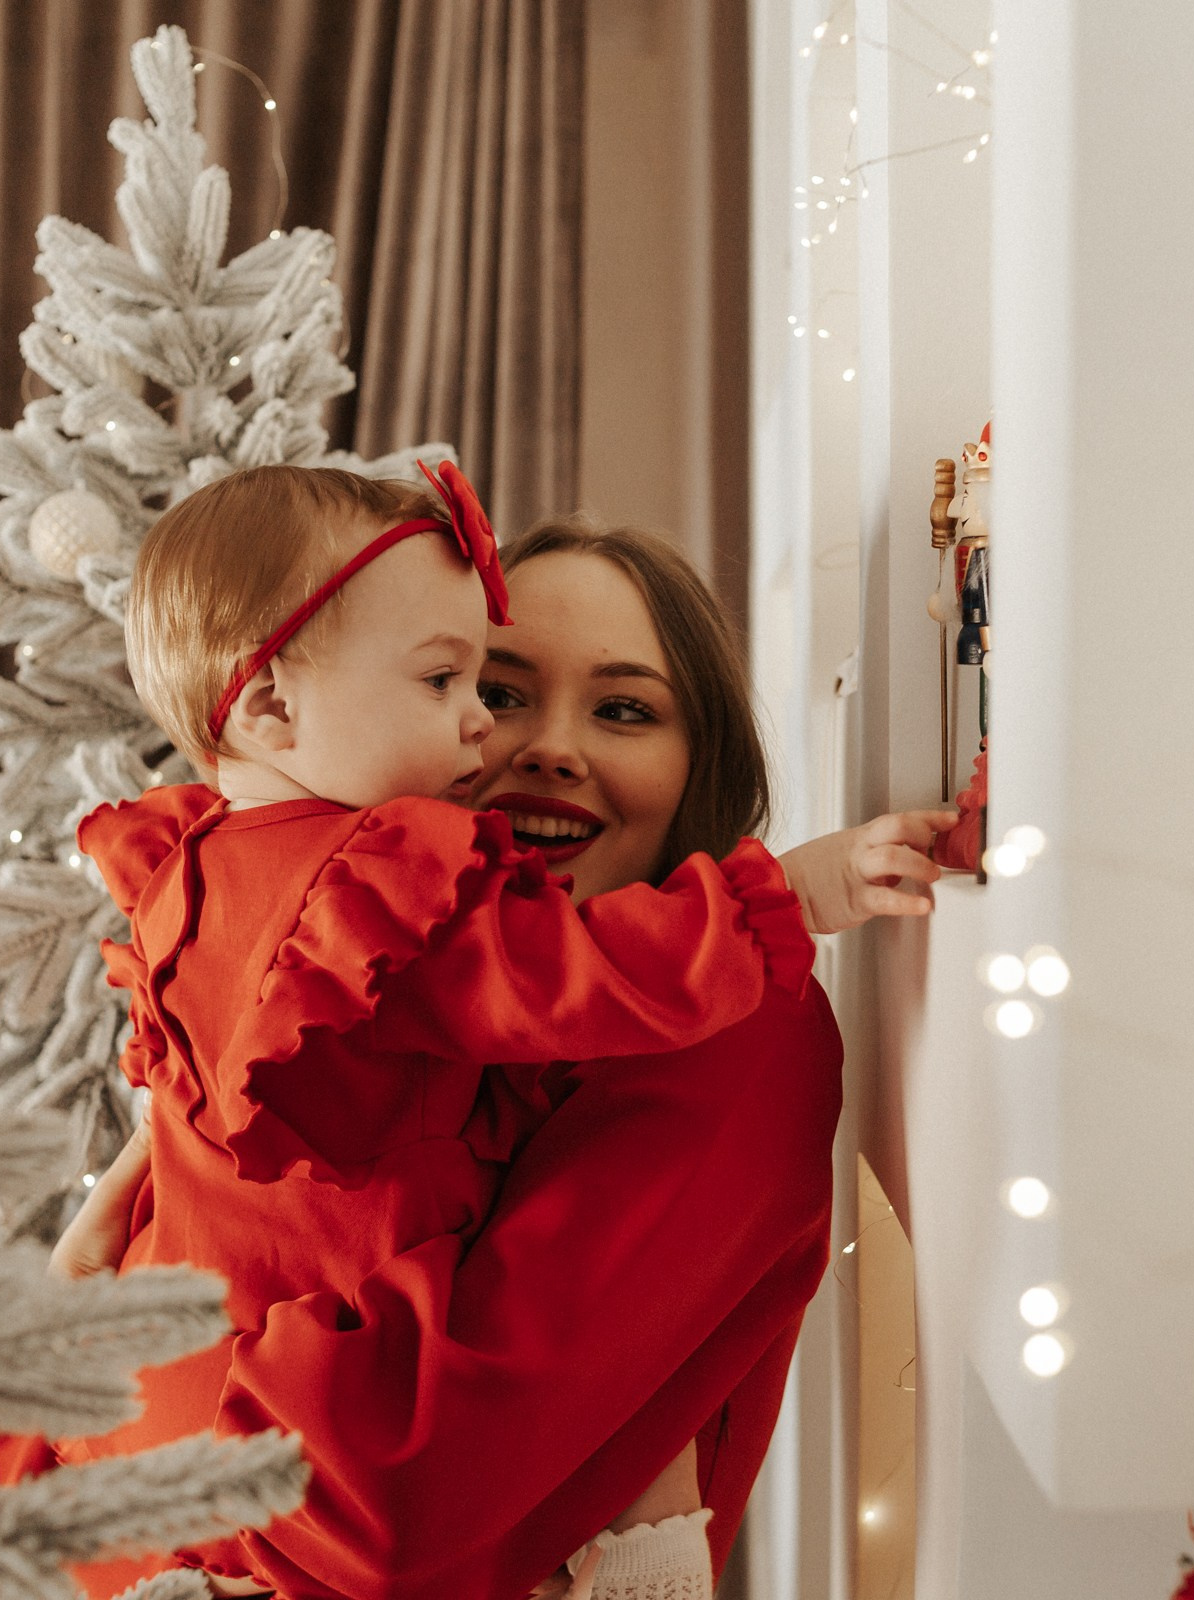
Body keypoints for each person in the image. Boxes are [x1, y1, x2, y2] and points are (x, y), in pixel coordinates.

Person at [52, 515, 950, 1598]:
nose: (540, 746)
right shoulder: (322, 972)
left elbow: (381, 1501)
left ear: (699, 764)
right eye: (493, 688)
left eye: (624, 708)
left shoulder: (735, 1036)